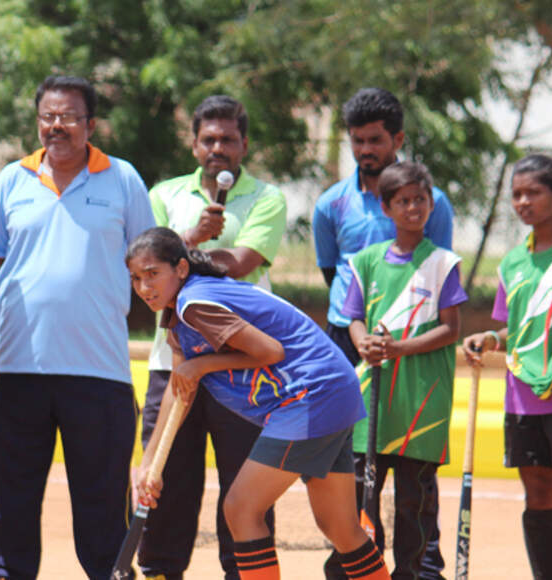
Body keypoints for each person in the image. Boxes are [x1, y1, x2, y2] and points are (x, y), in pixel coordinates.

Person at [128, 226, 390, 580]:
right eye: (135, 279)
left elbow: (270, 351)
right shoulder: (178, 315)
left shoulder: (195, 304)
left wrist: (203, 364)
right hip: (333, 390)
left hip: (310, 394)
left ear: (181, 269)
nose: (144, 288)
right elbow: (180, 389)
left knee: (241, 509)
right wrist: (148, 464)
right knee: (340, 527)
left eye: (152, 274)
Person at [0, 75, 155, 580]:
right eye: (48, 117)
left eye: (70, 117)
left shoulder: (122, 180)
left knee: (103, 519)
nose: (57, 126)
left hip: (99, 373)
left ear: (90, 124)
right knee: (8, 511)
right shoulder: (11, 180)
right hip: (16, 371)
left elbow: (148, 264)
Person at [140, 95, 285, 579]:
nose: (217, 148)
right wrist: (193, 237)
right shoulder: (164, 193)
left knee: (244, 490)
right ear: (194, 142)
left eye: (228, 139)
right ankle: (160, 570)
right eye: (208, 139)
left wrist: (182, 252)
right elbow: (148, 265)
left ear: (244, 144)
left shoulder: (268, 197)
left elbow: (240, 264)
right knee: (165, 483)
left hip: (242, 367)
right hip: (173, 362)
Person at [313, 87, 453, 578]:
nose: (365, 150)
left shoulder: (436, 204)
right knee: (348, 465)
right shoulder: (331, 204)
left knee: (413, 471)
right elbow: (337, 277)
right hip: (348, 341)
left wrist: (398, 337)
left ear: (397, 138)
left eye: (374, 140)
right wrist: (360, 332)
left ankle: (420, 568)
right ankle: (351, 561)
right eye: (356, 141)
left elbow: (436, 277)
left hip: (413, 348)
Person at [462, 154, 552, 580]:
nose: (522, 201)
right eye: (516, 194)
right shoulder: (512, 262)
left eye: (533, 192)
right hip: (522, 396)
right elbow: (514, 329)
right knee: (536, 494)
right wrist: (491, 340)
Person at [342, 162, 466, 579]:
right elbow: (353, 317)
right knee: (364, 494)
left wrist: (397, 348)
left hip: (421, 401)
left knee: (414, 499)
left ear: (431, 204)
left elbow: (452, 329)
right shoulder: (366, 261)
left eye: (420, 199)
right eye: (402, 201)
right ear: (385, 207)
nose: (412, 208)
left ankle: (410, 572)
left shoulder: (444, 263)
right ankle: (365, 570)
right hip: (373, 398)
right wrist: (363, 342)